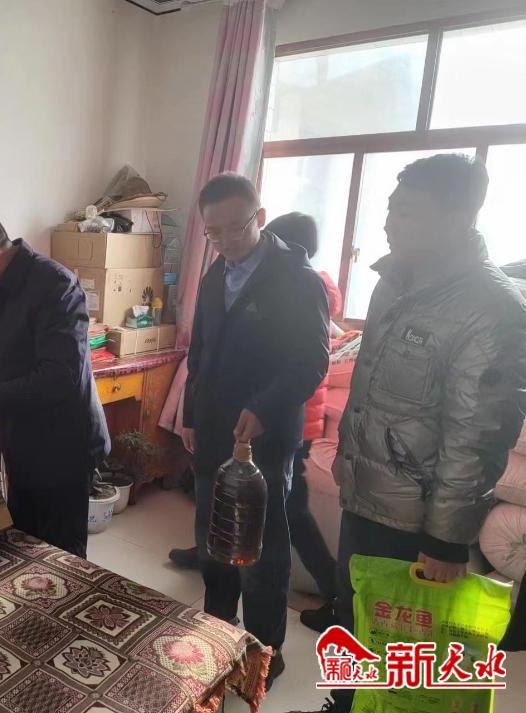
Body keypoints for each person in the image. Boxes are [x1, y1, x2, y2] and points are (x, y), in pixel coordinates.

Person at [290, 154, 526, 713]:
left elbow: (476, 436)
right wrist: (347, 463)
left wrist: (445, 540)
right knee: (355, 620)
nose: (389, 224)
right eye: (391, 209)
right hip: (366, 493)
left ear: (457, 220)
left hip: (417, 519)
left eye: (408, 213)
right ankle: (343, 705)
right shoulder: (393, 281)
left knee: (404, 654)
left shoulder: (492, 309)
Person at [182, 174, 329, 689]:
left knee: (260, 546)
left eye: (234, 228)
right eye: (213, 232)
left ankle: (267, 648)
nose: (223, 241)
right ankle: (218, 628)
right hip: (214, 427)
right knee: (212, 536)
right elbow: (199, 352)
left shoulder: (297, 279)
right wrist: (190, 414)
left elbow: (311, 361)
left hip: (264, 435)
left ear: (260, 218)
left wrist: (265, 408)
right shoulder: (215, 273)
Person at [0, 205, 109, 558]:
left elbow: (60, 375)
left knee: (61, 556)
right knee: (25, 546)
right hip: (23, 440)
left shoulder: (56, 286)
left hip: (63, 447)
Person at [266, 212, 344, 634]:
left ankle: (335, 592)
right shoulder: (309, 284)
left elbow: (300, 365)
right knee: (238, 490)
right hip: (294, 414)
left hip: (294, 417)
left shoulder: (303, 287)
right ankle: (211, 552)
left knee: (290, 508)